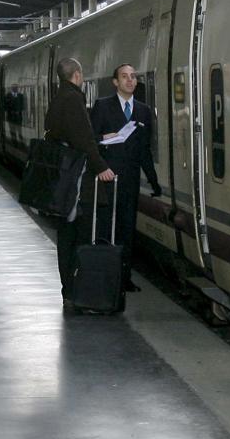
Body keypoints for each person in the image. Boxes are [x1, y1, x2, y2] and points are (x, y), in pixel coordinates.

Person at [44, 58, 115, 307]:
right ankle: (76, 289)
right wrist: (102, 167)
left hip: (63, 179)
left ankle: (70, 289)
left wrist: (99, 136)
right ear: (76, 75)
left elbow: (69, 134)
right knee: (77, 236)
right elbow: (83, 141)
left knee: (66, 235)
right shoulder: (73, 99)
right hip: (76, 183)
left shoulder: (58, 99)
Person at [89, 63, 161, 293]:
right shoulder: (102, 106)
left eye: (133, 77)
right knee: (106, 226)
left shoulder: (143, 111)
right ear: (115, 82)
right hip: (107, 178)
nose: (130, 80)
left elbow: (144, 150)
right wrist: (102, 137)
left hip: (130, 180)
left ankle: (124, 277)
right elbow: (89, 139)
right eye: (125, 77)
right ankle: (105, 275)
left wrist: (153, 179)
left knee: (127, 229)